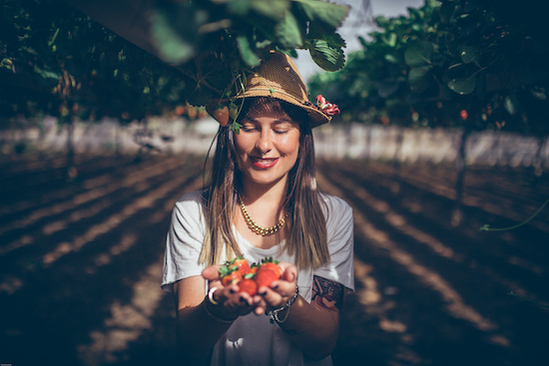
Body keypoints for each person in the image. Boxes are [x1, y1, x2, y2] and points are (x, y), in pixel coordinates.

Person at [161, 50, 354, 366]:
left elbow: (324, 343)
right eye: (249, 126)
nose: (264, 144)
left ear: (302, 137)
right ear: (229, 134)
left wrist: (288, 301)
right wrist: (218, 308)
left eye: (281, 129)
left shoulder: (332, 216)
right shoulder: (194, 211)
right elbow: (190, 343)